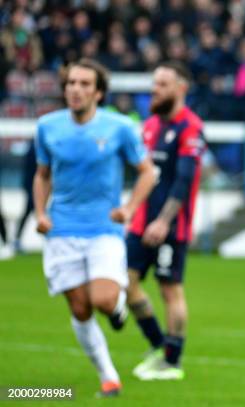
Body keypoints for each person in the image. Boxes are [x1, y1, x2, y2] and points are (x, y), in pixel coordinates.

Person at [34, 58, 157, 397]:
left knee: (102, 299)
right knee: (79, 307)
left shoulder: (119, 127)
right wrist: (40, 213)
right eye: (71, 83)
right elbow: (42, 174)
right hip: (62, 230)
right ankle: (109, 377)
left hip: (104, 228)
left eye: (85, 84)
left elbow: (147, 171)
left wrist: (129, 207)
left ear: (99, 92)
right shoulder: (47, 127)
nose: (76, 89)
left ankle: (117, 311)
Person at [125, 61, 206, 381]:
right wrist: (131, 208)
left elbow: (183, 181)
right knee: (124, 282)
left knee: (170, 289)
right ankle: (159, 344)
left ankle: (172, 363)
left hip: (171, 227)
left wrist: (163, 221)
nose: (154, 90)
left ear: (180, 88)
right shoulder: (149, 126)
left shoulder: (191, 127)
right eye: (154, 83)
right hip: (140, 222)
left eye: (162, 84)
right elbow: (145, 176)